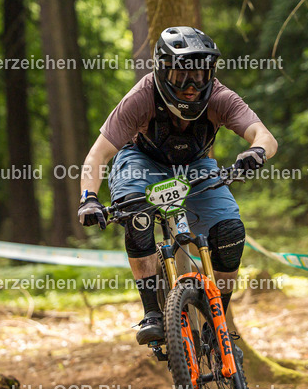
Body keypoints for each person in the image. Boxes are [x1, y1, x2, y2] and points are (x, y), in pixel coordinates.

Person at [77, 26, 278, 345]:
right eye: (182, 74)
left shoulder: (220, 97)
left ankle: (218, 319)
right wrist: (89, 198)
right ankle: (152, 313)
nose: (191, 85)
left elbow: (264, 136)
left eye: (200, 75)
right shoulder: (141, 97)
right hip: (141, 160)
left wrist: (256, 151)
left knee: (229, 234)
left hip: (196, 166)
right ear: (162, 70)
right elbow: (98, 154)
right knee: (137, 217)